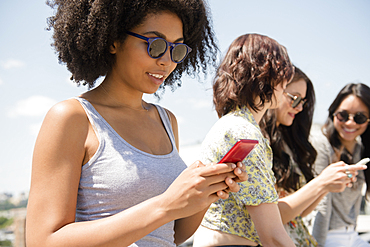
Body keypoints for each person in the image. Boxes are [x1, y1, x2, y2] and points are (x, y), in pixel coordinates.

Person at [25, 1, 249, 246]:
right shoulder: (72, 117)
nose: (167, 61)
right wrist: (165, 205)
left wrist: (206, 193)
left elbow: (169, 234)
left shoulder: (166, 121)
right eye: (156, 45)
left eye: (176, 49)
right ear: (114, 40)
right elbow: (43, 241)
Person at [192, 33, 296, 247]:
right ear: (264, 76)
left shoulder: (235, 125)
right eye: (281, 74)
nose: (286, 83)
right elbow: (273, 235)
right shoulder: (242, 131)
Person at [259, 67, 367, 246]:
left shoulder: (288, 144)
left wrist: (327, 185)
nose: (300, 107)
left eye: (303, 102)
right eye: (294, 99)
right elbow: (273, 217)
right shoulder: (257, 141)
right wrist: (322, 182)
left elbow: (298, 212)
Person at [310, 83, 370, 247]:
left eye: (360, 117)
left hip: (352, 234)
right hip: (327, 235)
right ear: (333, 113)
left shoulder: (361, 150)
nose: (350, 123)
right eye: (343, 115)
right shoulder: (322, 145)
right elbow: (323, 201)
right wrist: (319, 244)